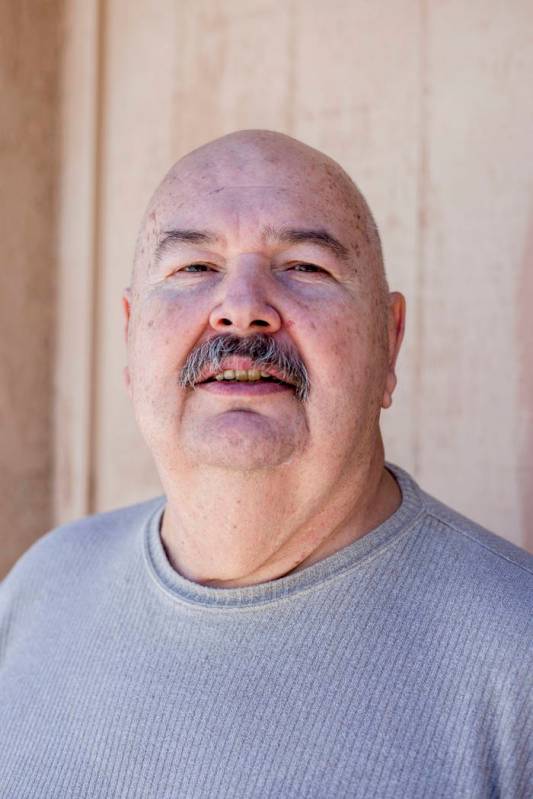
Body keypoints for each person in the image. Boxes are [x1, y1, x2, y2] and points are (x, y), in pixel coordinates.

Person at [0, 130, 531, 799]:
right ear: (132, 337)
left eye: (305, 266)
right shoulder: (40, 588)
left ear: (388, 343)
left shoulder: (517, 652)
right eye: (193, 268)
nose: (242, 307)